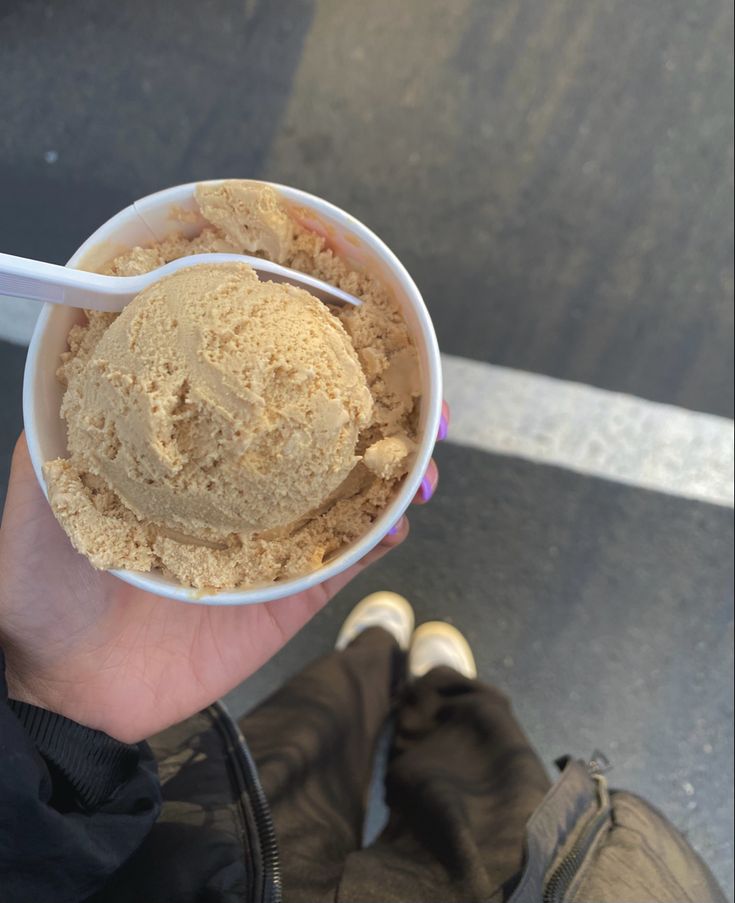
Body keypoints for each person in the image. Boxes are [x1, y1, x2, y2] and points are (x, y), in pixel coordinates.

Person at [0, 436, 727, 903]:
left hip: (217, 882)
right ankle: (440, 691)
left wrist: (50, 708)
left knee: (303, 744)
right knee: (483, 774)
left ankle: (369, 661)